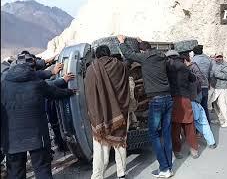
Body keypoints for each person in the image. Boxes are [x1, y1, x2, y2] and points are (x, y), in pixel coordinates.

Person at [1, 53, 75, 179]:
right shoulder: (37, 82)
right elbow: (54, 93)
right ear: (31, 67)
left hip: (12, 141)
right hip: (37, 138)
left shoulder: (3, 85)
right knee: (42, 171)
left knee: (15, 173)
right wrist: (69, 91)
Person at [118, 35, 173, 178]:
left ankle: (164, 168)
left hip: (156, 99)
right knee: (166, 133)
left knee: (153, 134)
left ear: (142, 52)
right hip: (168, 97)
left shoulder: (145, 58)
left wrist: (122, 42)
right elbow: (147, 51)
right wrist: (141, 43)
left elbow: (129, 54)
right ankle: (169, 167)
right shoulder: (161, 56)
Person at [84, 45, 129, 179]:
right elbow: (126, 86)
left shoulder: (92, 69)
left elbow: (90, 93)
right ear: (109, 54)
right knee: (119, 143)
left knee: (100, 147)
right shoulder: (120, 66)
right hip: (119, 114)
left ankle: (98, 175)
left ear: (97, 55)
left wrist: (93, 113)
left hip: (100, 116)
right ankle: (121, 174)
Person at [165, 50, 199, 159]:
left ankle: (177, 151)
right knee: (189, 125)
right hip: (185, 98)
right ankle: (194, 149)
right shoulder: (184, 66)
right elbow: (193, 79)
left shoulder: (166, 67)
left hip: (173, 98)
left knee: (175, 127)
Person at [183, 53, 217, 149]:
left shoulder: (188, 73)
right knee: (203, 122)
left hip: (191, 102)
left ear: (185, 61)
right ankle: (211, 142)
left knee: (191, 124)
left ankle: (193, 145)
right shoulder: (197, 73)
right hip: (198, 100)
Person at [208, 53, 227, 128]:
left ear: (222, 57)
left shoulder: (225, 65)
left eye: (220, 57)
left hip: (222, 87)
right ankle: (220, 119)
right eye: (217, 57)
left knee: (223, 105)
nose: (219, 58)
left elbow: (225, 75)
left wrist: (215, 73)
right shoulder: (213, 64)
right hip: (214, 86)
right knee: (214, 104)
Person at [191, 45, 215, 122]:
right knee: (205, 106)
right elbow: (211, 73)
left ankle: (200, 127)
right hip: (205, 85)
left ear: (194, 52)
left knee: (197, 107)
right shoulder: (208, 59)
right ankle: (207, 122)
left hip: (197, 87)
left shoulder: (193, 60)